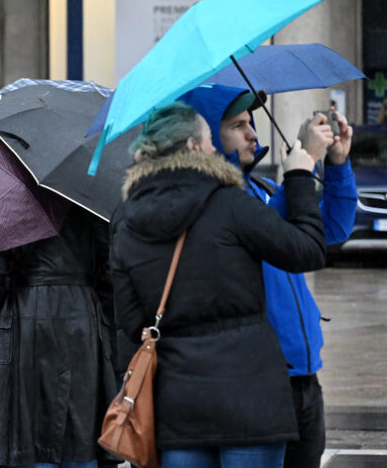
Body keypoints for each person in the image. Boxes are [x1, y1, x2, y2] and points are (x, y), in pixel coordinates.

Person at [111, 102, 327, 468]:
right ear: (194, 147)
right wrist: (300, 177)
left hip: (178, 406)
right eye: (209, 140)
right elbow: (307, 251)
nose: (214, 149)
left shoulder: (127, 220)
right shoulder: (230, 202)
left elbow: (132, 322)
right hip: (253, 400)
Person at [179, 84, 357, 467]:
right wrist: (304, 161)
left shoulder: (264, 188)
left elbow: (334, 230)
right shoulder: (216, 204)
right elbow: (263, 230)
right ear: (208, 134)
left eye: (252, 123)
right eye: (237, 125)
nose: (252, 134)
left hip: (305, 375)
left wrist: (337, 165)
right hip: (260, 379)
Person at [0, 205, 117, 468]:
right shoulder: (89, 202)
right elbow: (110, 267)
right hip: (81, 311)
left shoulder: (11, 201)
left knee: (28, 424)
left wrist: (1, 302)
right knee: (81, 420)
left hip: (27, 311)